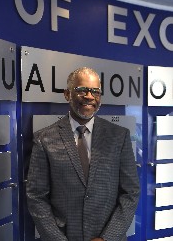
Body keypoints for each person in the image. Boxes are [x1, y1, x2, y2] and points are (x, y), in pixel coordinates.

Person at [26, 67, 140, 241]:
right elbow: (36, 197)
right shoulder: (44, 139)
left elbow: (130, 192)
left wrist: (107, 238)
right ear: (67, 94)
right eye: (82, 90)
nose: (89, 96)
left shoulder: (119, 136)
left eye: (95, 91)